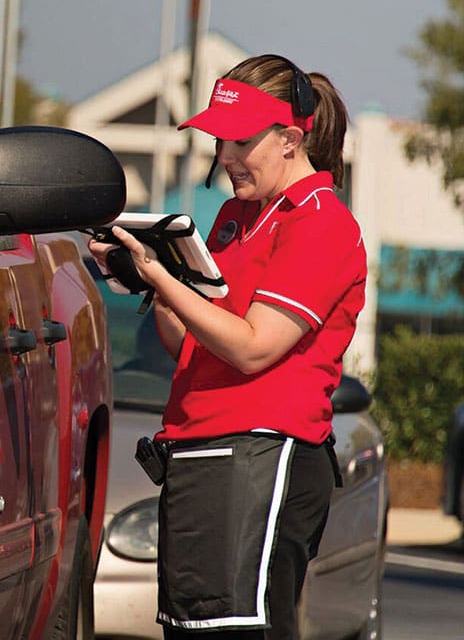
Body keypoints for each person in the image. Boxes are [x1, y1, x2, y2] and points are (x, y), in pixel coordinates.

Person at [89, 54, 365, 640]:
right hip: (202, 452)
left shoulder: (321, 223)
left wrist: (163, 279)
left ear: (291, 138)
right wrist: (150, 278)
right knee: (192, 629)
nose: (224, 157)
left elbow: (254, 348)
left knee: (241, 631)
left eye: (239, 140)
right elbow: (189, 345)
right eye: (219, 140)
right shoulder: (237, 216)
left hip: (263, 457)